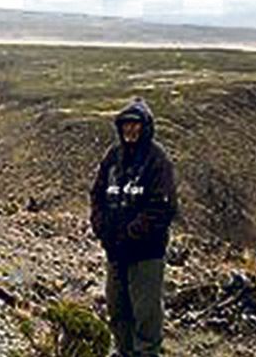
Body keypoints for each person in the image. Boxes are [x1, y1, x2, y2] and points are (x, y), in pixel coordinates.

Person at [89, 98, 178, 357]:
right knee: (117, 309)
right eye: (126, 124)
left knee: (146, 313)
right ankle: (124, 351)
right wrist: (101, 226)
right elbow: (97, 194)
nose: (130, 130)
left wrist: (131, 233)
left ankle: (146, 354)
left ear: (146, 127)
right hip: (115, 251)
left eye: (135, 125)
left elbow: (163, 207)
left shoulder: (157, 160)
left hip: (145, 253)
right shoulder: (113, 156)